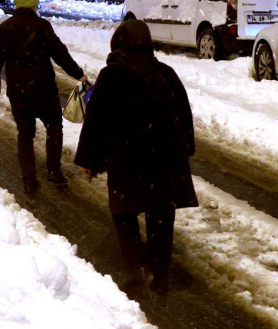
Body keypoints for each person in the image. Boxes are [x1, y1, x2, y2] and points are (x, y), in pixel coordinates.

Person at [74, 19, 198, 294]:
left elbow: (96, 122)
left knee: (124, 214)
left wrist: (88, 160)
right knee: (161, 216)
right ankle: (159, 272)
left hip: (127, 160)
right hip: (165, 160)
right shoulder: (166, 73)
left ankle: (135, 269)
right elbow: (184, 117)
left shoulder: (112, 76)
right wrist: (186, 148)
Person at [0, 0, 87, 195]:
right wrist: (78, 73)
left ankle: (29, 179)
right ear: (33, 7)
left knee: (25, 134)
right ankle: (53, 170)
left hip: (18, 91)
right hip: (44, 90)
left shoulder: (5, 28)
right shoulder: (42, 27)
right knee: (53, 127)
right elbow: (60, 54)